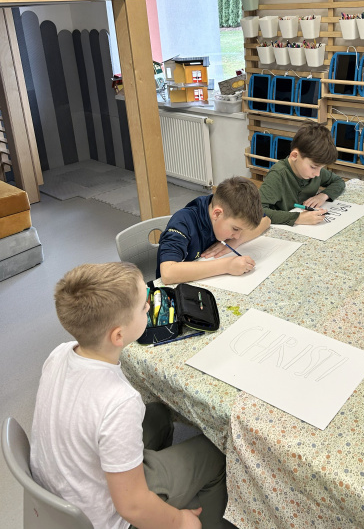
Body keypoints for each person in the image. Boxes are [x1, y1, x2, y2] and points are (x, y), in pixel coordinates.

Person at [30, 261, 232, 529]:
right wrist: (180, 521)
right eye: (143, 307)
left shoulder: (59, 353)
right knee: (216, 453)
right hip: (103, 515)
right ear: (118, 335)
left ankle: (163, 486)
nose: (149, 306)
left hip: (64, 488)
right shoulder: (119, 400)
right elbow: (132, 506)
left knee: (158, 413)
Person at [157, 176, 270, 285]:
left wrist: (235, 242)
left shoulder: (222, 206)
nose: (237, 235)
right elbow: (168, 273)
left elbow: (266, 221)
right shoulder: (183, 222)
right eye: (235, 229)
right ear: (217, 214)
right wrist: (227, 265)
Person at [259, 122, 345, 226]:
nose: (317, 174)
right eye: (313, 167)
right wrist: (297, 218)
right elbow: (259, 211)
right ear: (295, 156)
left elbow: (338, 181)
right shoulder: (278, 175)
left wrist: (323, 196)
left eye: (321, 168)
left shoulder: (314, 171)